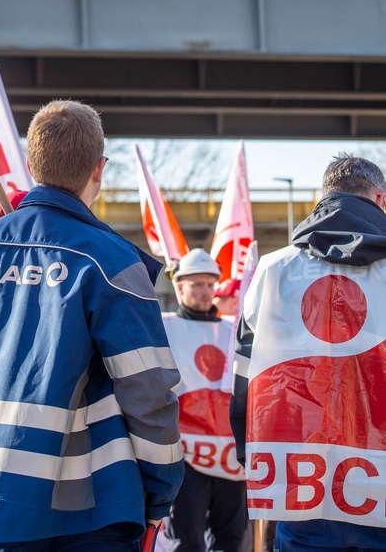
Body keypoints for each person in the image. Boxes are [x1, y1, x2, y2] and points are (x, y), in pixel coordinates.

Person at [0, 99, 185, 550]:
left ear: (32, 164)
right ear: (99, 169)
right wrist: (160, 494)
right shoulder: (111, 263)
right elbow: (148, 395)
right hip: (92, 513)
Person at [230, 154, 386, 552]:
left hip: (302, 477)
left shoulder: (274, 269)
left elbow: (247, 373)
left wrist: (253, 456)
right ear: (380, 199)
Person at [162, 248, 247, 552]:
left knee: (231, 538)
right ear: (180, 285)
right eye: (197, 284)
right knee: (187, 539)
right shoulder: (163, 327)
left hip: (231, 457)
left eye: (210, 284)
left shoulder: (234, 330)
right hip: (185, 458)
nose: (205, 291)